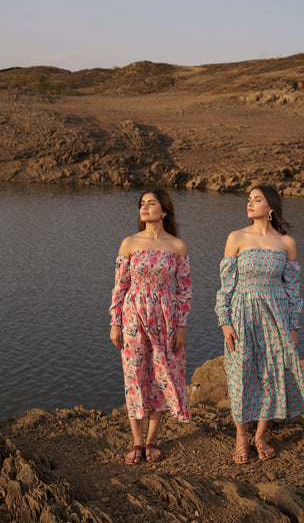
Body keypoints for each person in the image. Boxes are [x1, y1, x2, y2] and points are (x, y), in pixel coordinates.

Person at [215, 184, 304, 464]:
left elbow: (293, 290)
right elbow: (226, 286)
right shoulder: (236, 237)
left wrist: (293, 328)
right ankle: (241, 438)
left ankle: (260, 436)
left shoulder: (286, 243)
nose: (250, 203)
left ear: (271, 207)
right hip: (242, 313)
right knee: (240, 372)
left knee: (271, 373)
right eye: (248, 199)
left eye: (257, 199)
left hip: (276, 315)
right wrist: (225, 321)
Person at [109, 188, 192, 464]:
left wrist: (180, 326)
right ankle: (136, 441)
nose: (144, 207)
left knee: (161, 374)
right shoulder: (129, 243)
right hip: (134, 316)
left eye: (151, 203)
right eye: (142, 203)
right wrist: (115, 323)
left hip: (166, 318)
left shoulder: (177, 246)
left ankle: (152, 439)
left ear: (164, 210)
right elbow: (120, 287)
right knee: (134, 374)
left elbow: (184, 291)